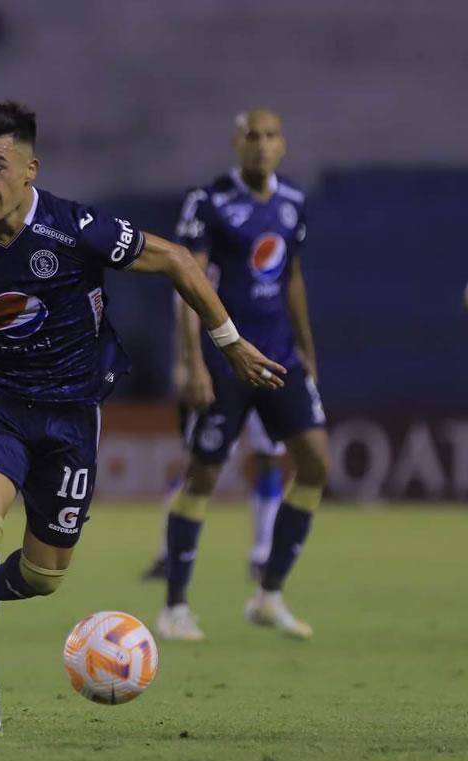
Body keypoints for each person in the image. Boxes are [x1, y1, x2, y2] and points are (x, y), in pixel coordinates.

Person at [0, 101, 283, 739]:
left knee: (42, 576)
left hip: (71, 416)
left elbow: (177, 258)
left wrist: (228, 342)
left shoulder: (77, 228)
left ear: (30, 168)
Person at [153, 109, 327, 642]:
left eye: (272, 135)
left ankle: (268, 594)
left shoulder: (294, 202)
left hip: (278, 358)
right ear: (236, 143)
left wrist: (306, 349)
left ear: (284, 144)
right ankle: (175, 606)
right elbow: (187, 283)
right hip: (225, 359)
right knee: (203, 475)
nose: (262, 145)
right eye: (253, 136)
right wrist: (192, 360)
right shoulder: (208, 203)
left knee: (316, 464)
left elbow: (291, 277)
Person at [138, 293, 286, 583]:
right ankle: (169, 553)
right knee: (195, 463)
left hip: (266, 362)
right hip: (215, 372)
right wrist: (185, 364)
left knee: (269, 456)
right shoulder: (198, 258)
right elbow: (185, 309)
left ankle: (263, 555)